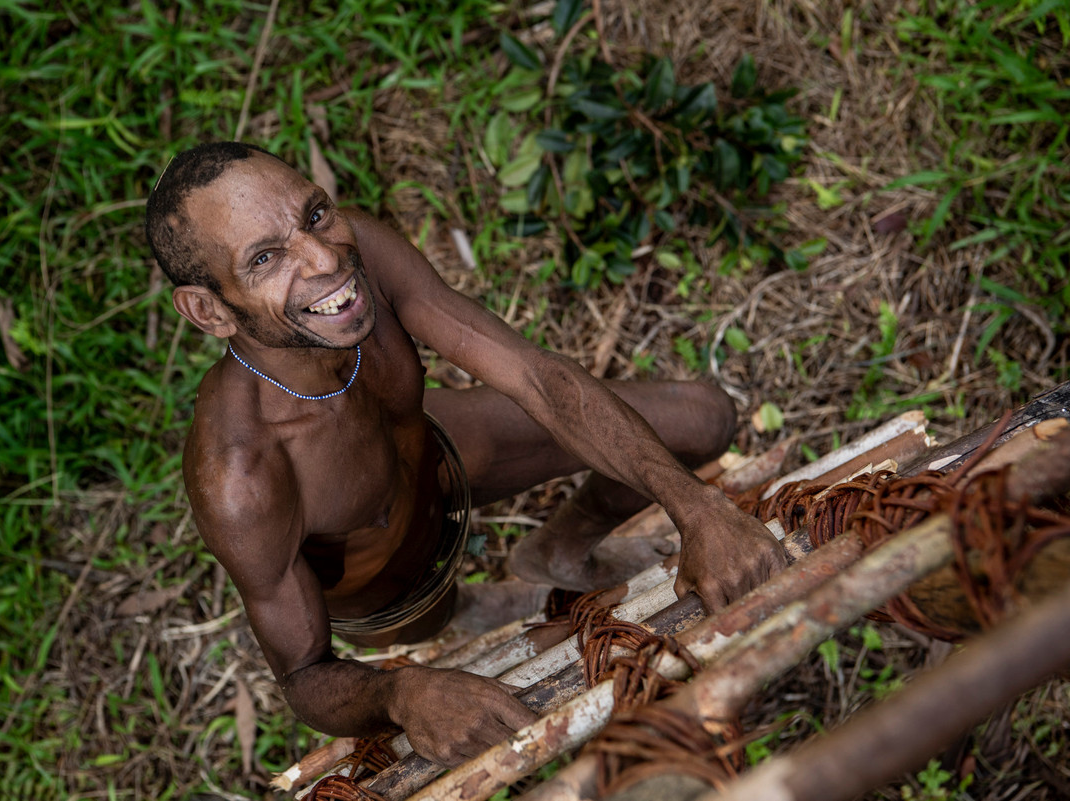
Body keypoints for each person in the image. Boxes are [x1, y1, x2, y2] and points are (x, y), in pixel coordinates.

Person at [144, 142, 786, 768]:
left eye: (314, 214)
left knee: (701, 420)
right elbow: (304, 674)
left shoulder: (357, 250)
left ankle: (556, 552)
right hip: (382, 571)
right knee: (445, 617)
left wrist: (695, 507)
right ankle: (469, 611)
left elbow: (536, 379)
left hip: (440, 452)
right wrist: (400, 692)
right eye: (265, 259)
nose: (324, 259)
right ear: (208, 309)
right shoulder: (242, 477)